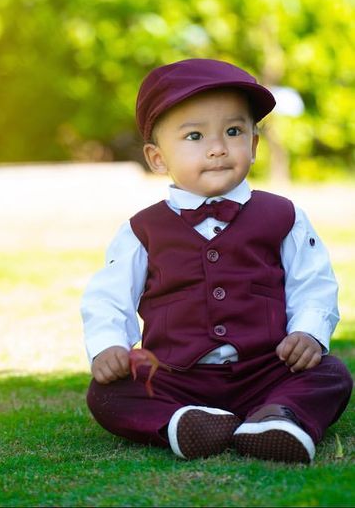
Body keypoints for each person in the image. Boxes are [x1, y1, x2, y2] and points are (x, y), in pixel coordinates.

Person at [81, 58, 352, 463]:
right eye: (194, 136)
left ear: (254, 145)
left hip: (266, 368)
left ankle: (279, 417)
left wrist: (309, 333)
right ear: (157, 158)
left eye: (233, 131)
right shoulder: (142, 230)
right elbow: (108, 296)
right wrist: (108, 346)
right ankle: (184, 422)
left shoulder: (283, 216)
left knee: (330, 374)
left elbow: (312, 281)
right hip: (177, 376)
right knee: (108, 392)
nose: (218, 147)